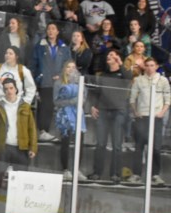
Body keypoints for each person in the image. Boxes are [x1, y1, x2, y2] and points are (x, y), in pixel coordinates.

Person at [0, 78, 38, 211]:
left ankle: (19, 207)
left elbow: (32, 128)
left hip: (21, 148)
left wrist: (32, 147)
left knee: (22, 180)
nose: (9, 91)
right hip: (3, 147)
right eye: (6, 89)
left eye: (11, 88)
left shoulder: (25, 106)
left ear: (16, 89)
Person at [87, 49, 132, 182]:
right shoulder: (103, 75)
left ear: (118, 58)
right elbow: (96, 93)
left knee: (117, 145)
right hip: (103, 111)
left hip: (118, 111)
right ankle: (97, 172)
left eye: (112, 55)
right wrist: (93, 106)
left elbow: (129, 78)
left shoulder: (123, 73)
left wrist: (121, 63)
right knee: (100, 143)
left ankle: (115, 174)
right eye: (108, 55)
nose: (109, 56)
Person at [128, 58, 171, 185]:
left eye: (152, 65)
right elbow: (132, 98)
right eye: (147, 65)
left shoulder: (163, 80)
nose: (149, 68)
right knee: (139, 147)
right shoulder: (139, 80)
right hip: (142, 117)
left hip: (156, 117)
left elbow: (168, 99)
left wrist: (162, 112)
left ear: (156, 66)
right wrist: (136, 112)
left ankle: (155, 175)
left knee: (156, 148)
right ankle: (136, 174)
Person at [31, 22, 71, 141]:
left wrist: (60, 76)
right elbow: (33, 64)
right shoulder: (39, 46)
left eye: (53, 29)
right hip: (44, 83)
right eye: (49, 29)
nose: (50, 31)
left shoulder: (64, 48)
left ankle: (62, 134)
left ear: (57, 32)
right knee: (45, 106)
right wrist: (36, 79)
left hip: (59, 84)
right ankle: (42, 131)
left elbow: (69, 65)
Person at [54, 61, 85, 182]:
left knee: (80, 141)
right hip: (65, 115)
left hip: (78, 114)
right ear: (64, 69)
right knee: (65, 141)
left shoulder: (80, 83)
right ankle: (65, 169)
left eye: (73, 67)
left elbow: (83, 99)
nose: (71, 69)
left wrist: (77, 101)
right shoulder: (58, 83)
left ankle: (77, 169)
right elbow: (56, 102)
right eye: (68, 67)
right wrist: (72, 101)